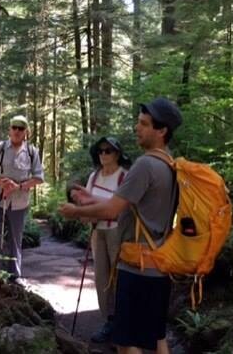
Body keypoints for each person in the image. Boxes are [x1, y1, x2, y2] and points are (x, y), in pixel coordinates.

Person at [60, 97, 182, 354]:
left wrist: (75, 211)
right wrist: (91, 198)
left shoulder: (145, 164)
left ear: (161, 131)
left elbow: (113, 210)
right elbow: (128, 203)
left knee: (126, 342)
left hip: (137, 265)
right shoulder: (170, 163)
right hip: (159, 264)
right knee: (157, 337)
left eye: (144, 124)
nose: (136, 128)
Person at [72, 137, 130, 344]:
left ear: (117, 154)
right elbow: (88, 203)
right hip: (98, 231)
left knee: (119, 278)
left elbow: (126, 208)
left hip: (117, 232)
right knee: (101, 278)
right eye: (101, 151)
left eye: (108, 151)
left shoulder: (124, 177)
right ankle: (108, 321)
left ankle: (123, 324)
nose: (104, 154)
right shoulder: (94, 176)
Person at [0, 115, 44, 283]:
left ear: (26, 132)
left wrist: (18, 187)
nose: (17, 131)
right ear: (9, 130)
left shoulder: (32, 152)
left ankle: (14, 276)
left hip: (19, 203)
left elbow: (39, 178)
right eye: (14, 127)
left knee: (15, 238)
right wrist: (2, 184)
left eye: (21, 128)